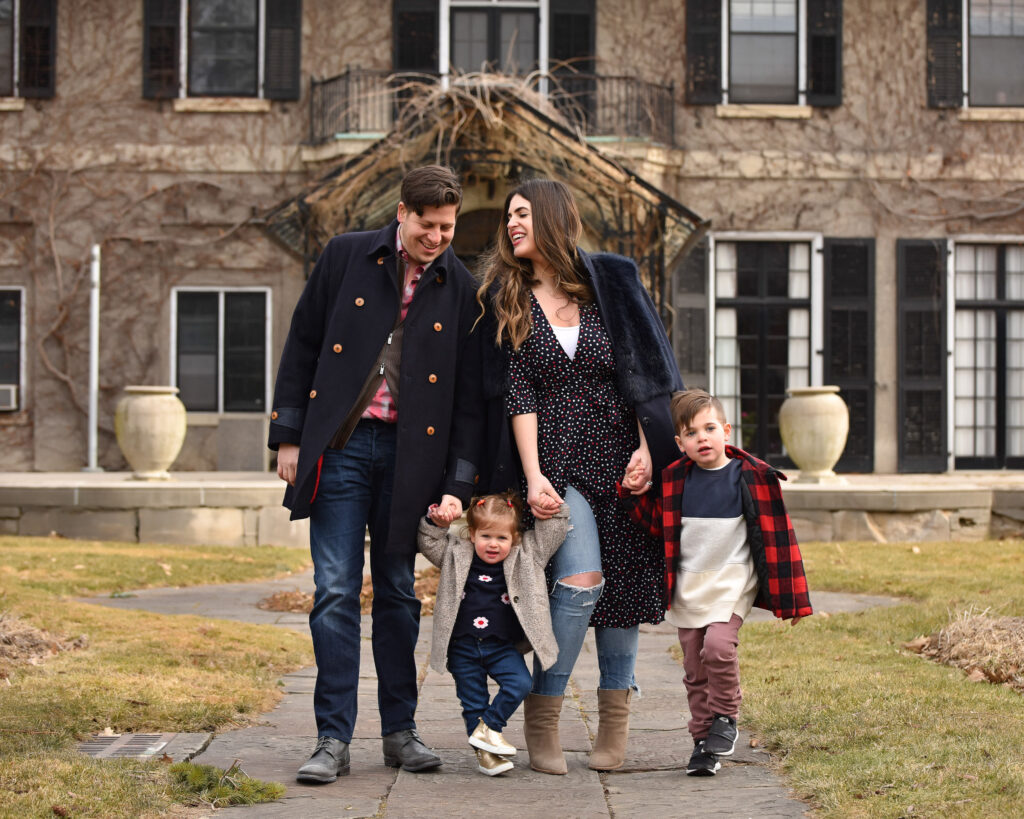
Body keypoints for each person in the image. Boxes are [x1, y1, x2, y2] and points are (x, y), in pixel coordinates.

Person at [268, 165, 484, 783]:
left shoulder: (459, 285)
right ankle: (332, 739)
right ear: (401, 213)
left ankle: (399, 733)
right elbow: (303, 342)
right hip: (339, 446)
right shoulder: (344, 257)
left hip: (410, 459)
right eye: (427, 224)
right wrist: (287, 434)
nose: (437, 236)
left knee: (394, 593)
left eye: (446, 226)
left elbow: (468, 398)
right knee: (335, 590)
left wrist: (457, 483)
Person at [476, 178, 684, 774]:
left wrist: (648, 448)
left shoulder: (611, 280)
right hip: (558, 466)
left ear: (551, 217)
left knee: (621, 591)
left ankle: (614, 723)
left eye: (522, 214)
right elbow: (517, 392)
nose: (512, 224)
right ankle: (543, 712)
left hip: (622, 461)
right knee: (581, 581)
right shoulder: (505, 294)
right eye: (508, 217)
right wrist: (533, 474)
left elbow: (648, 370)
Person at [619, 388, 813, 776]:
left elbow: (779, 538)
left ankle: (725, 717)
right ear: (680, 444)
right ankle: (703, 742)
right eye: (691, 433)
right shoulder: (674, 479)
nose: (702, 438)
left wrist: (794, 601)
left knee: (718, 648)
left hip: (732, 581)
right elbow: (658, 525)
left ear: (726, 431)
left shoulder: (752, 477)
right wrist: (631, 491)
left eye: (709, 428)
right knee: (695, 667)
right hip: (689, 585)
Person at [417, 492, 569, 776]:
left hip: (501, 647)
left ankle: (490, 728)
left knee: (520, 683)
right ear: (472, 535)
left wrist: (554, 508)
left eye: (502, 538)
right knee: (473, 702)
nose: (493, 544)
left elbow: (552, 534)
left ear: (514, 539)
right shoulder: (456, 554)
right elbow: (429, 542)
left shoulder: (527, 557)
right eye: (486, 536)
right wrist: (435, 522)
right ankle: (486, 756)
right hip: (463, 647)